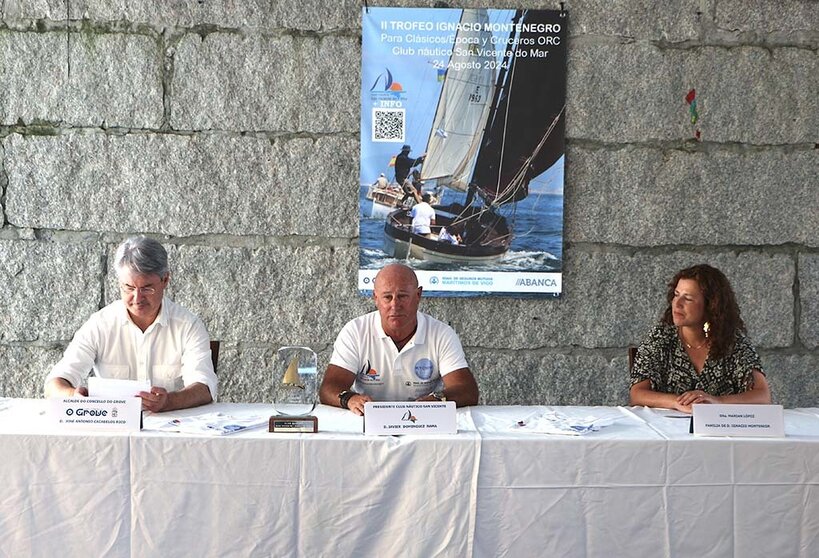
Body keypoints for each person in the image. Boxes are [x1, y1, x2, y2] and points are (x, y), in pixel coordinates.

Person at [44, 236, 217, 412]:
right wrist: (73, 396)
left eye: (147, 288)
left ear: (165, 280)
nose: (137, 298)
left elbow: (204, 388)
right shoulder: (100, 324)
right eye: (128, 288)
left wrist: (169, 402)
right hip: (112, 428)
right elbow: (54, 384)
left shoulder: (188, 325)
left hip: (172, 430)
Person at [319, 263, 479, 415]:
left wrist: (435, 400)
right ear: (375, 298)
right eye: (387, 297)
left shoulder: (441, 334)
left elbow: (466, 390)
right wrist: (350, 399)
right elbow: (329, 389)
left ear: (418, 295)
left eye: (402, 296)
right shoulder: (355, 331)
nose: (395, 305)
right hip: (368, 420)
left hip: (423, 421)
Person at [629, 264, 771, 413]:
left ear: (711, 306)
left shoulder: (732, 340)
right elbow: (637, 394)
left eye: (688, 298)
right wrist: (678, 402)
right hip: (670, 431)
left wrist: (717, 401)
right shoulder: (661, 336)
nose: (677, 304)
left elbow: (762, 395)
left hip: (721, 431)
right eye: (676, 295)